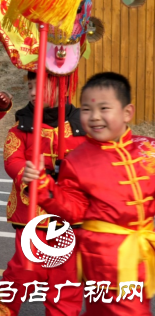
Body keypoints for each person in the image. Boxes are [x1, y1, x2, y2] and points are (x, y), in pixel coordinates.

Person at [23, 72, 155, 315]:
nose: (94, 117)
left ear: (127, 112)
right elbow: (73, 209)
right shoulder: (78, 160)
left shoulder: (148, 148)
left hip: (141, 252)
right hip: (103, 257)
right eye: (86, 109)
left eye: (104, 108)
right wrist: (42, 186)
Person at [0, 71, 86, 316]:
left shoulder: (84, 125)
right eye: (30, 86)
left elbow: (96, 162)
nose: (32, 92)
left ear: (62, 87)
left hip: (70, 215)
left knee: (66, 278)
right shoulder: (21, 127)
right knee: (25, 269)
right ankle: (3, 310)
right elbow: (13, 161)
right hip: (32, 212)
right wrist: (32, 175)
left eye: (39, 86)